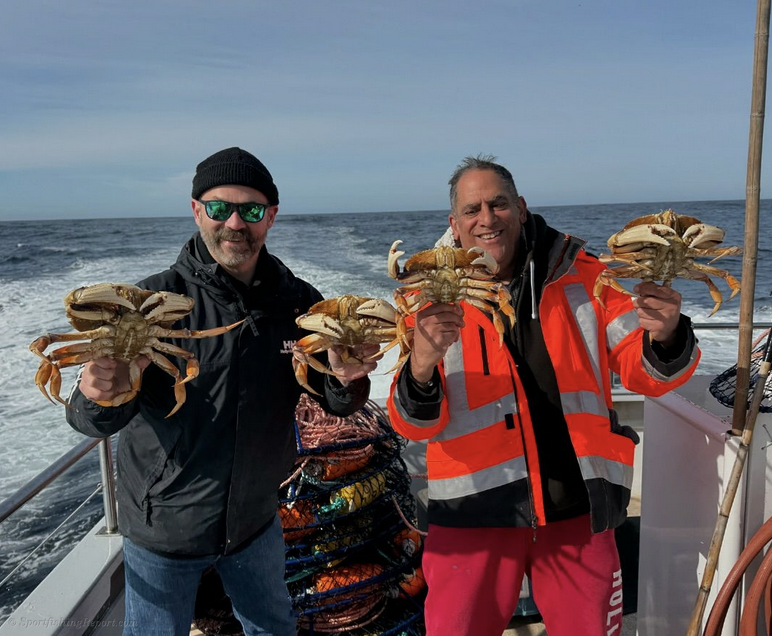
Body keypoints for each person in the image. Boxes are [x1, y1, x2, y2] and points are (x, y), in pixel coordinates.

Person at [66, 147, 378, 636]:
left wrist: (347, 379)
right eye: (219, 208)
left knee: (273, 626)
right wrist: (96, 393)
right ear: (196, 211)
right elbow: (90, 420)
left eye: (251, 210)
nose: (235, 222)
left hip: (256, 523)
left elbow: (334, 399)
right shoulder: (149, 305)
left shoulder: (300, 305)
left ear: (271, 216)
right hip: (162, 529)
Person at [386, 155, 700, 636]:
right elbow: (412, 424)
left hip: (577, 507)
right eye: (472, 210)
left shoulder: (588, 275)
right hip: (470, 513)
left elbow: (645, 375)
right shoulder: (421, 298)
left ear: (522, 208)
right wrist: (423, 361)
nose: (487, 219)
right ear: (454, 223)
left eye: (499, 204)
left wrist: (667, 335)